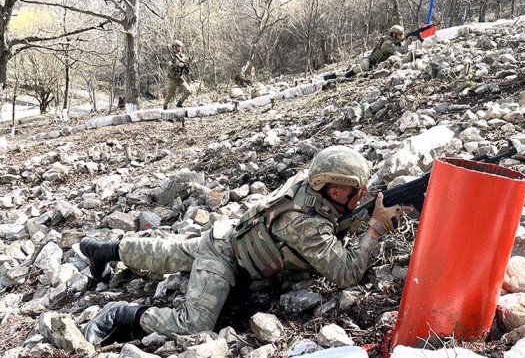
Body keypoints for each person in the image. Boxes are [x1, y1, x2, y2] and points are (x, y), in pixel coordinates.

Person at [79, 146, 408, 344]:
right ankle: (120, 313)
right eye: (357, 189)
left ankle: (104, 249)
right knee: (195, 325)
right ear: (334, 192)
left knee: (168, 254)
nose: (364, 194)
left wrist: (365, 214)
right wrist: (375, 230)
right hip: (226, 257)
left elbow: (335, 222)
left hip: (228, 236)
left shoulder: (311, 187)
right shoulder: (303, 222)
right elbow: (346, 272)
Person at [163, 40, 192, 109]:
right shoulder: (170, 57)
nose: (180, 48)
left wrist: (188, 72)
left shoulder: (183, 56)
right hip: (173, 78)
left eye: (180, 47)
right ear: (174, 47)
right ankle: (165, 106)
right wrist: (177, 64)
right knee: (170, 94)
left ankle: (180, 103)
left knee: (188, 91)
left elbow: (185, 65)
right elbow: (169, 66)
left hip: (180, 78)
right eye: (179, 47)